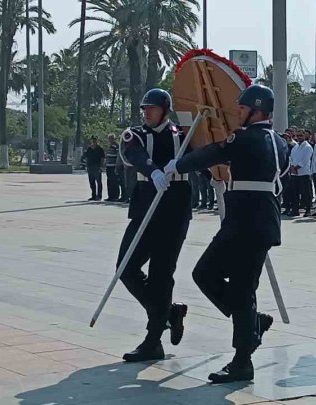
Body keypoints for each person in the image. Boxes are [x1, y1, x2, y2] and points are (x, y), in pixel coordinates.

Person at [164, 84, 287, 383]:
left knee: (233, 286)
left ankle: (243, 359)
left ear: (257, 110)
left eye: (243, 109)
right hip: (259, 221)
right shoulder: (280, 143)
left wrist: (178, 164)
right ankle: (251, 324)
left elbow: (215, 152)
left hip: (244, 223)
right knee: (214, 277)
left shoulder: (245, 138)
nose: (239, 113)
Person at [115, 88, 191, 363]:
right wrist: (154, 171)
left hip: (174, 210)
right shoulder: (135, 134)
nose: (146, 112)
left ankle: (153, 339)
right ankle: (168, 312)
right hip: (145, 206)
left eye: (151, 108)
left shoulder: (183, 135)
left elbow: (201, 156)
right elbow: (134, 155)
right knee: (125, 268)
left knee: (162, 274)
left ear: (165, 110)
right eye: (143, 108)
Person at [289, 130, 313, 216]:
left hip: (304, 173)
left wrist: (296, 167)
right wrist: (292, 167)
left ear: (304, 136)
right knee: (294, 193)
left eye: (301, 136)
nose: (299, 137)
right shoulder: (295, 147)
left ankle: (308, 210)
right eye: (298, 136)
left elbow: (305, 160)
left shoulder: (308, 147)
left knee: (306, 193)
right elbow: (291, 158)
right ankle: (295, 210)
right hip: (294, 174)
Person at [84, 137, 106, 201]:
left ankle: (99, 196)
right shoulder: (89, 149)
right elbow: (87, 157)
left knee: (99, 182)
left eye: (95, 140)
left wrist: (101, 166)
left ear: (97, 141)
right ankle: (93, 196)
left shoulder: (100, 149)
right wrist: (87, 166)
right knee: (91, 182)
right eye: (92, 140)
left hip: (97, 167)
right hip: (90, 167)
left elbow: (102, 158)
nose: (93, 142)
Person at [104, 134, 124, 202]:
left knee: (115, 182)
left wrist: (117, 166)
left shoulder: (116, 146)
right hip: (108, 166)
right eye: (109, 138)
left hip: (114, 166)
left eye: (112, 138)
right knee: (109, 182)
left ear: (114, 139)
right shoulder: (109, 146)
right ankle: (110, 196)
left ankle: (115, 196)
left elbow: (118, 156)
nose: (110, 140)